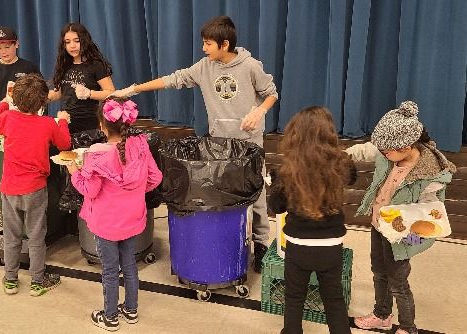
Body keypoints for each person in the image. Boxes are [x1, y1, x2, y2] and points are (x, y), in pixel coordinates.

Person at [112, 15, 278, 272]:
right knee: (224, 198)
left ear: (224, 44)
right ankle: (231, 243)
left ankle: (261, 243)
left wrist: (259, 111)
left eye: (208, 44)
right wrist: (133, 90)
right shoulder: (204, 67)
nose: (203, 48)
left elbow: (271, 93)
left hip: (249, 145)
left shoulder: (250, 66)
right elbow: (172, 80)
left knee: (256, 196)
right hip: (219, 144)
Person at [346, 101, 456, 334]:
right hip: (379, 224)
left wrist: (410, 243)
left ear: (406, 146)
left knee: (398, 282)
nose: (382, 154)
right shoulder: (389, 151)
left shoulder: (429, 174)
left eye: (386, 152)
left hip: (403, 238)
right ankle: (382, 315)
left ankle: (408, 327)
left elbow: (432, 220)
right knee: (379, 272)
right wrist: (341, 156)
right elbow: (367, 150)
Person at [66, 98, 162, 331]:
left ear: (101, 126)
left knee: (110, 270)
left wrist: (74, 171)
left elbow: (89, 189)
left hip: (106, 224)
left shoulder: (96, 156)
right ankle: (131, 310)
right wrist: (135, 193)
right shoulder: (140, 145)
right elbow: (155, 178)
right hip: (133, 218)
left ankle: (109, 317)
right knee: (129, 265)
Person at [268, 106, 355, 334]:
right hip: (331, 246)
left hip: (298, 247)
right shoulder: (342, 164)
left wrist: (275, 182)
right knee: (334, 300)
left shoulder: (288, 170)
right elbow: (352, 177)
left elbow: (276, 207)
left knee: (294, 298)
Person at [0, 74, 72, 297]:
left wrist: (4, 102)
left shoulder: (8, 118)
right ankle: (37, 281)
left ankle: (11, 279)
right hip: (35, 189)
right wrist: (62, 120)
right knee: (36, 236)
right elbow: (65, 144)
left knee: (12, 236)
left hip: (9, 188)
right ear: (44, 102)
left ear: (16, 99)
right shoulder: (47, 124)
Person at [48, 23, 115, 134]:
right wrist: (42, 97)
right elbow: (58, 93)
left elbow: (111, 92)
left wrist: (89, 93)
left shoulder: (95, 65)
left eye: (77, 41)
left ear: (84, 41)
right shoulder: (64, 65)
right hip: (66, 121)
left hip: (89, 123)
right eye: (67, 42)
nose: (72, 46)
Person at [0, 26, 42, 122]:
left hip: (27, 118)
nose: (4, 52)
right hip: (2, 119)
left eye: (7, 47)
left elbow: (41, 92)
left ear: (16, 44)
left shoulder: (29, 67)